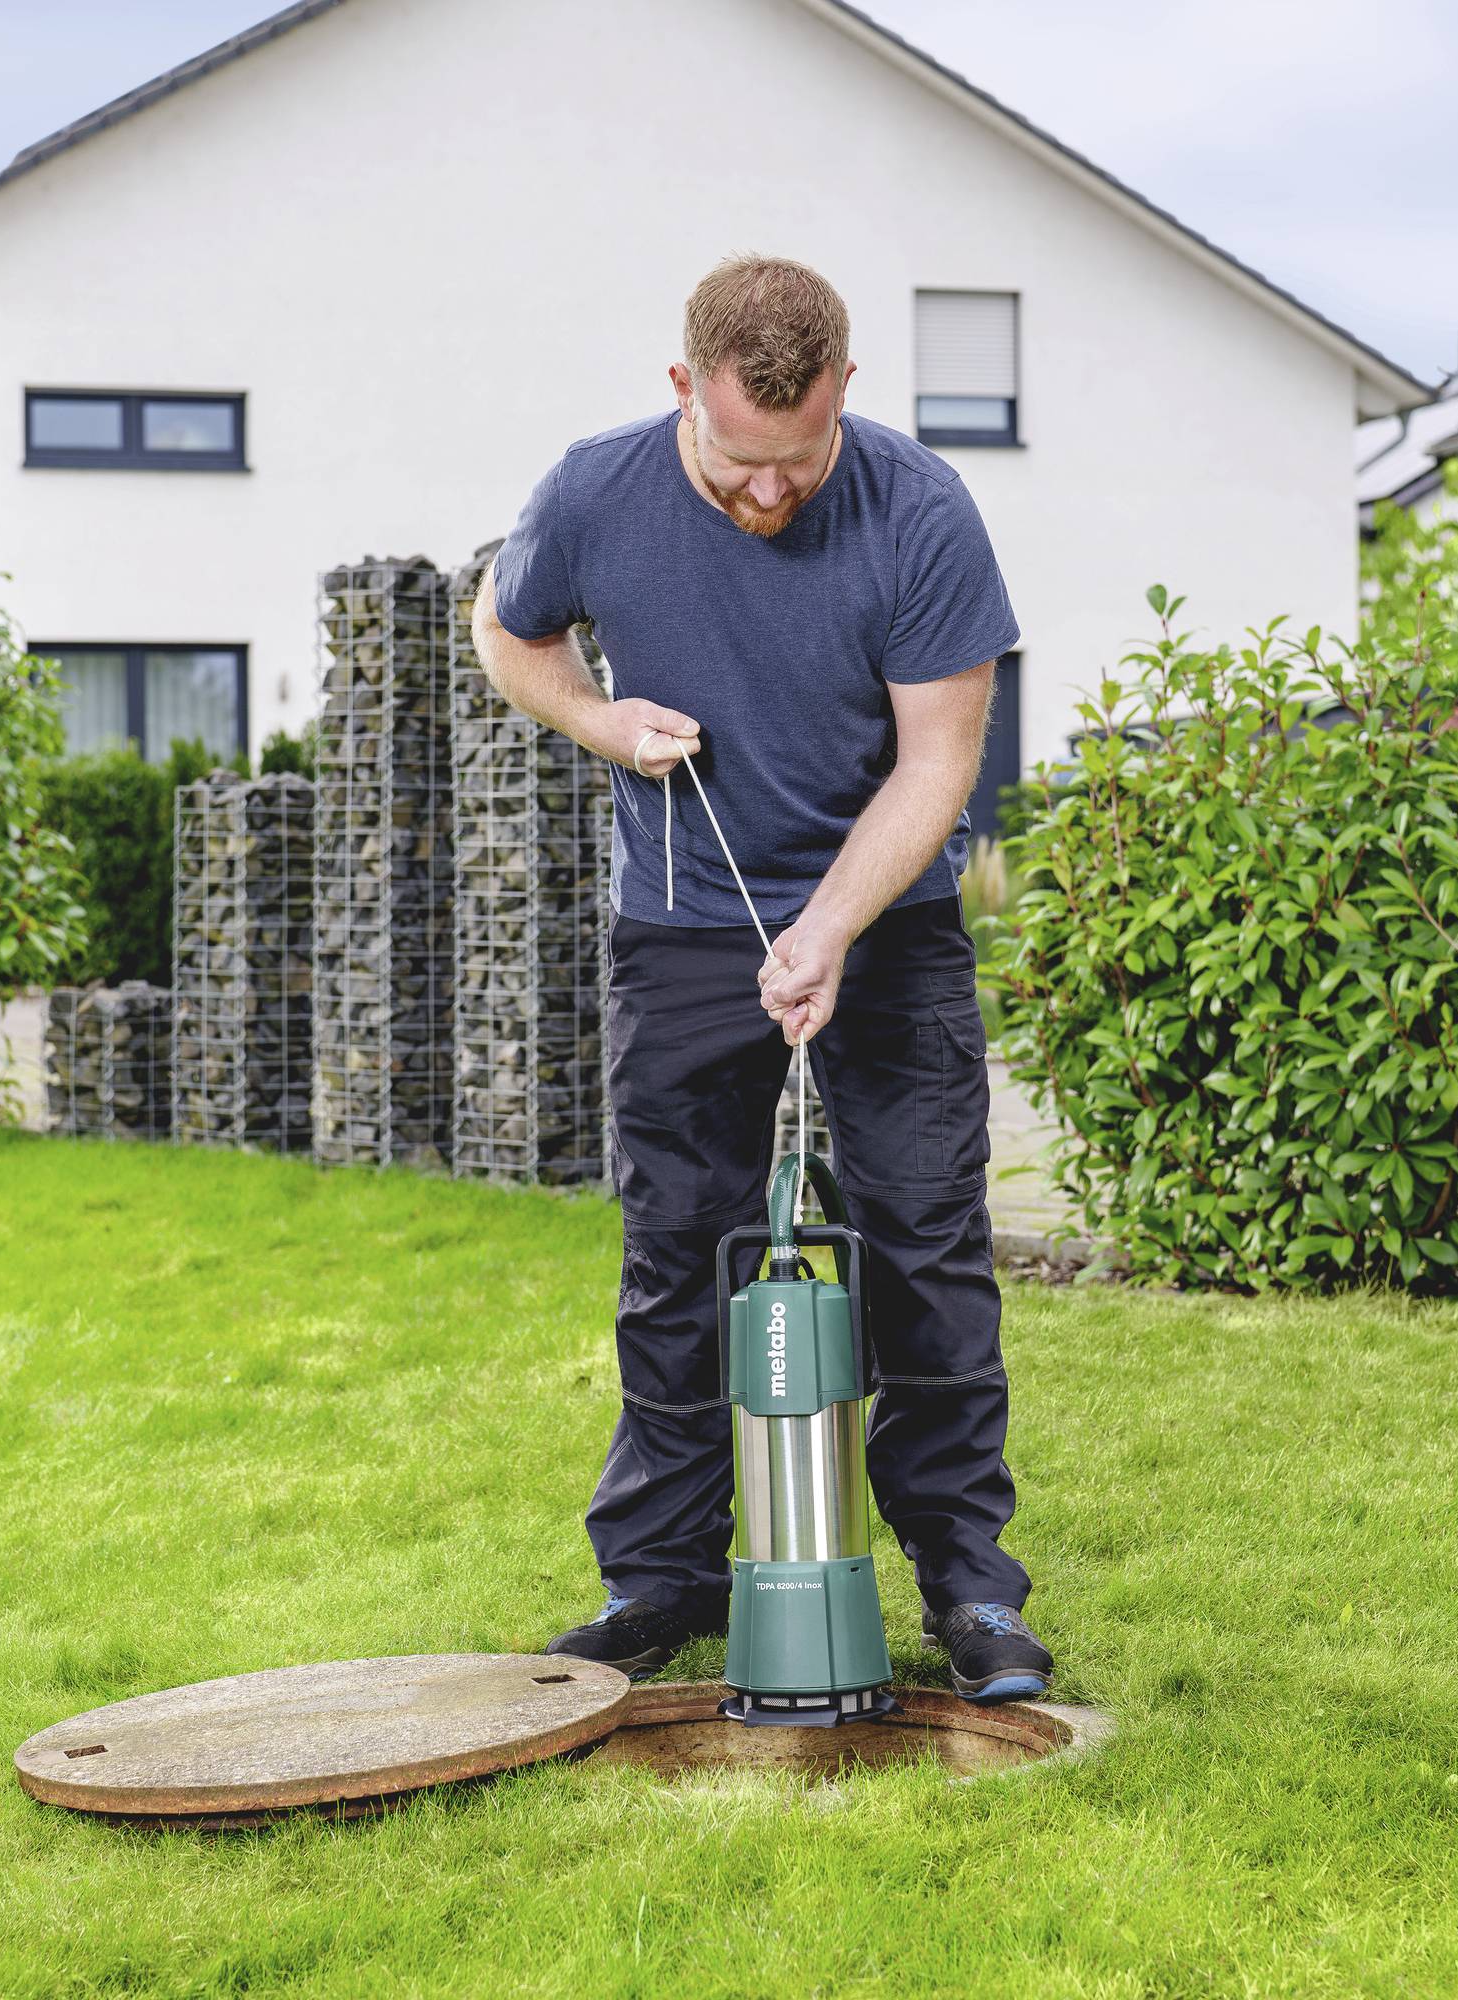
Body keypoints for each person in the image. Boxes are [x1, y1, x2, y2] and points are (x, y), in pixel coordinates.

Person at [472, 254, 1050, 1702]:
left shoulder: (921, 514)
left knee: (923, 1250)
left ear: (846, 392)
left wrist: (831, 930)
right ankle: (657, 1582)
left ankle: (971, 1591)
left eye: (796, 463)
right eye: (737, 463)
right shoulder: (596, 491)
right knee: (681, 1251)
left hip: (892, 930)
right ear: (684, 390)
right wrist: (601, 725)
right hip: (679, 931)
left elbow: (939, 765)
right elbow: (507, 628)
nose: (768, 495)